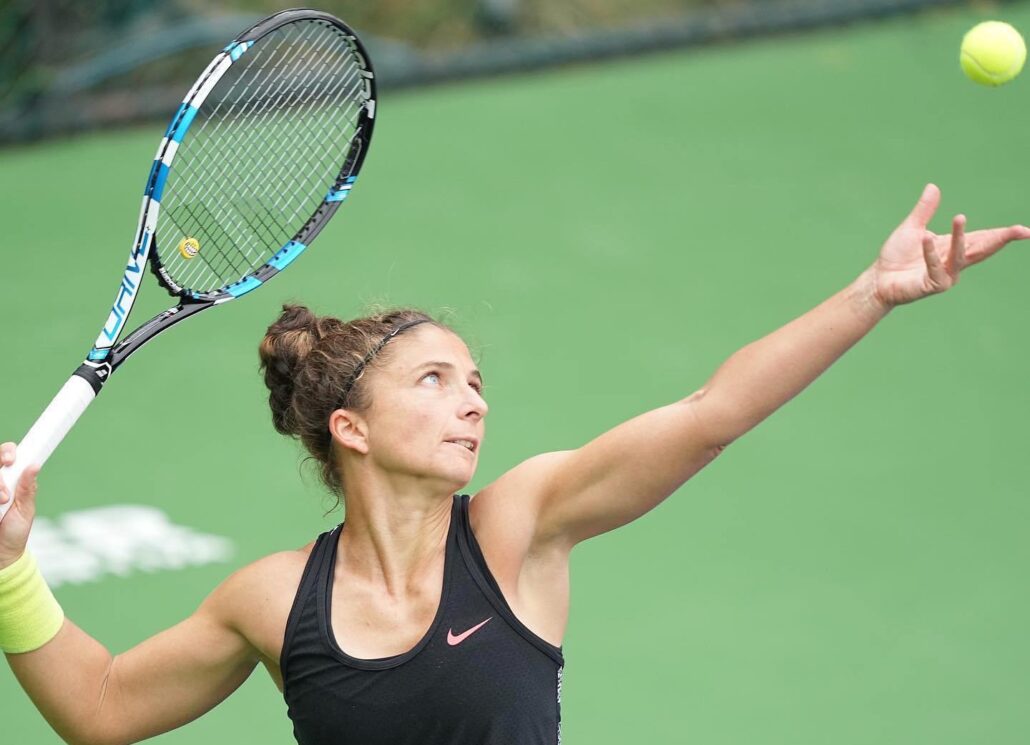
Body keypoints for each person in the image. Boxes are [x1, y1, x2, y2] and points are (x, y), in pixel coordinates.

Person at [1, 184, 1027, 745]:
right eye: (436, 380)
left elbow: (711, 413)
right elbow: (99, 707)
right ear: (351, 429)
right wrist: (9, 567)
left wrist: (870, 295)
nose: (474, 399)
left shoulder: (519, 524)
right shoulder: (272, 602)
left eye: (476, 379)